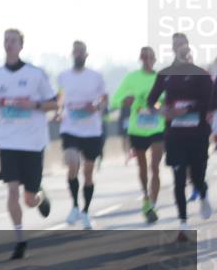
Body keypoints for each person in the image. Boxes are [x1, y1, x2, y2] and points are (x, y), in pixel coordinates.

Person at [0, 28, 56, 260]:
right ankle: (20, 239)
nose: (8, 44)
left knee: (29, 199)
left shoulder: (35, 74)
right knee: (12, 191)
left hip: (33, 142)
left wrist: (31, 105)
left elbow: (53, 105)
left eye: (13, 40)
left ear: (21, 45)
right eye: (6, 40)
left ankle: (40, 194)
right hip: (8, 142)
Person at [146, 33, 214, 241]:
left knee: (198, 175)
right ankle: (183, 224)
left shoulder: (200, 73)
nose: (179, 48)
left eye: (182, 44)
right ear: (172, 48)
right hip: (175, 134)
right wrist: (162, 111)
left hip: (198, 133)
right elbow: (151, 101)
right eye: (176, 45)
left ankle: (202, 194)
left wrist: (189, 109)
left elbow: (211, 103)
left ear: (188, 47)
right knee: (178, 178)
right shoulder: (165, 74)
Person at [56, 41, 108, 230]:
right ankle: (75, 207)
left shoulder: (96, 77)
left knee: (87, 172)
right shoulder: (63, 76)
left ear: (86, 55)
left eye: (81, 52)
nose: (77, 55)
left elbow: (104, 99)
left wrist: (95, 107)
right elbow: (60, 97)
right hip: (70, 127)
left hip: (92, 130)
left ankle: (85, 211)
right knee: (71, 162)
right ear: (72, 54)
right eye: (75, 52)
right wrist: (58, 110)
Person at [110, 47, 164, 223]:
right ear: (140, 59)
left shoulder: (161, 78)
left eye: (150, 57)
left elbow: (167, 100)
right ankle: (146, 197)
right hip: (137, 129)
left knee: (155, 166)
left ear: (155, 59)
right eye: (144, 57)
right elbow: (115, 99)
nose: (147, 60)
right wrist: (125, 101)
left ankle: (152, 206)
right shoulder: (131, 78)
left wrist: (159, 105)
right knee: (143, 168)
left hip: (157, 128)